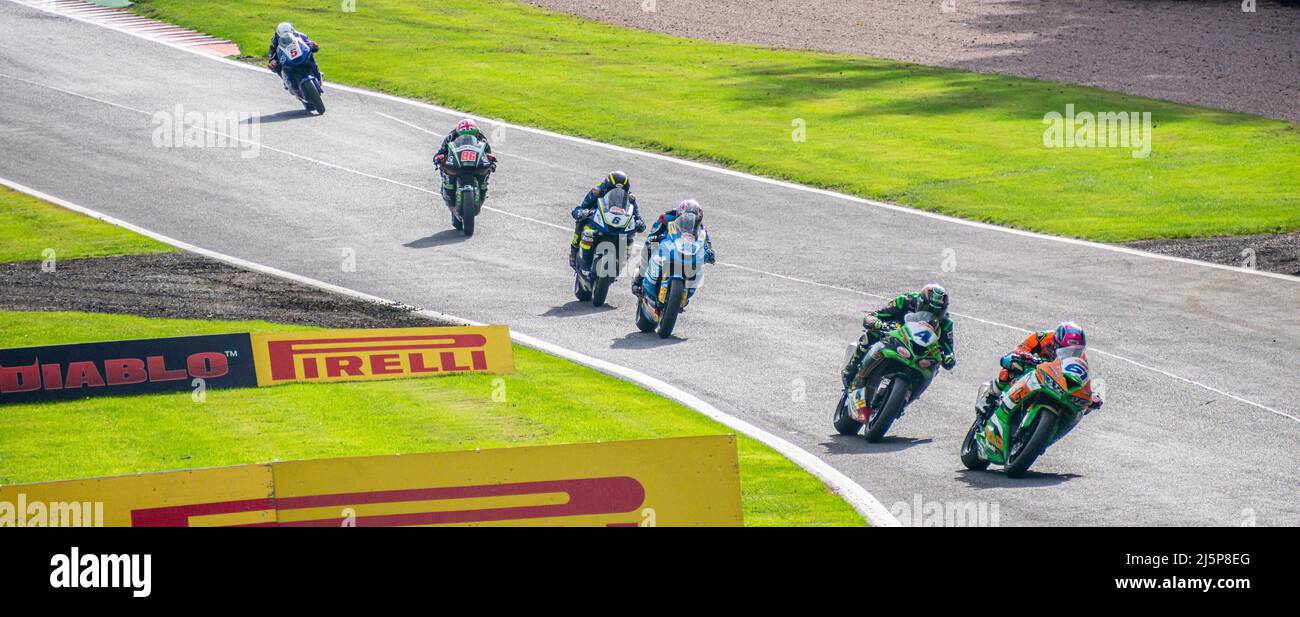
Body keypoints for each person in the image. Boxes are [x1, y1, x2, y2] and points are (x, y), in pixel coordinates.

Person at [841, 284, 956, 401]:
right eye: (928, 308)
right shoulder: (907, 300)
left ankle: (907, 398)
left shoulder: (946, 323)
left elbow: (948, 350)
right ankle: (852, 370)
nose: (932, 313)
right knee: (870, 335)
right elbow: (877, 315)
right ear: (920, 301)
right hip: (896, 337)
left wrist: (948, 358)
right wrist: (876, 322)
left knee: (934, 367)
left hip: (921, 351)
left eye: (937, 312)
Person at [976, 321, 1100, 415]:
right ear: (1056, 341)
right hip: (1033, 368)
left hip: (1055, 381)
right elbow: (1017, 351)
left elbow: (1080, 378)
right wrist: (1024, 357)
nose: (1072, 353)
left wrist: (1090, 396)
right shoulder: (1043, 337)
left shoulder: (1081, 357)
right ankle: (990, 396)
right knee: (1010, 366)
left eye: (1076, 350)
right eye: (1066, 349)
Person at [632, 199, 716, 296]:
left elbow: (705, 241)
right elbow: (654, 231)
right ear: (679, 215)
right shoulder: (666, 217)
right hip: (668, 244)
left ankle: (687, 292)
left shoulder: (701, 228)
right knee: (649, 248)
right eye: (686, 220)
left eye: (693, 221)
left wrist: (709, 251)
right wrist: (653, 237)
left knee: (699, 266)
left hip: (687, 249)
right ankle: (639, 278)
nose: (689, 223)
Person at [570, 171, 645, 269]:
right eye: (614, 189)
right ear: (607, 187)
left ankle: (619, 264)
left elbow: (637, 215)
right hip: (597, 222)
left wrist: (639, 223)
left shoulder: (630, 198)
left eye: (622, 190)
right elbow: (580, 208)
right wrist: (581, 213)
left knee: (629, 237)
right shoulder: (596, 191)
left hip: (618, 225)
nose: (618, 193)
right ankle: (574, 251)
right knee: (581, 222)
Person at [433, 119, 497, 206]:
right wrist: (438, 159)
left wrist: (491, 162)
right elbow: (441, 151)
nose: (468, 136)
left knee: (486, 170)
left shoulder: (481, 137)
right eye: (464, 134)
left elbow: (488, 153)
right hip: (456, 162)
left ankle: (483, 189)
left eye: (471, 134)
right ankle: (446, 187)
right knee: (443, 167)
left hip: (475, 163)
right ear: (458, 133)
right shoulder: (451, 136)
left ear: (476, 133)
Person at [266, 22, 321, 88]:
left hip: (299, 54)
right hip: (286, 58)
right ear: (278, 34)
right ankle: (286, 81)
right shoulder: (274, 41)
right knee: (276, 67)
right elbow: (271, 54)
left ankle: (318, 73)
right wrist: (272, 61)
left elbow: (307, 42)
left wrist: (312, 44)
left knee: (310, 55)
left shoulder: (299, 34)